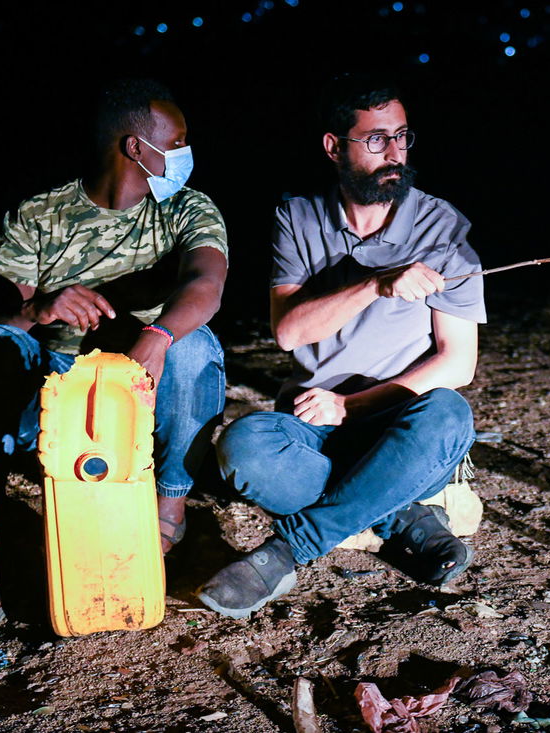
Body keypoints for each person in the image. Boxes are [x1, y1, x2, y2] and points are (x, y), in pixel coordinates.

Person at [0, 79, 229, 664]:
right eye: (179, 141)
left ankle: (166, 509)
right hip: (56, 375)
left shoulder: (187, 208)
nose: (188, 154)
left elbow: (205, 283)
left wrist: (158, 334)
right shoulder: (41, 214)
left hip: (145, 371)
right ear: (137, 147)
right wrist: (37, 308)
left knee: (194, 347)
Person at [198, 82, 483, 619]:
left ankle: (289, 549)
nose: (395, 153)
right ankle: (400, 517)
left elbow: (457, 363)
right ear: (334, 147)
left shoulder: (443, 230)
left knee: (449, 413)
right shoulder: (299, 219)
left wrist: (351, 407)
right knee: (245, 445)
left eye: (401, 137)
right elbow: (289, 332)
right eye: (376, 140)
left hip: (403, 428)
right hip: (314, 427)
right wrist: (374, 284)